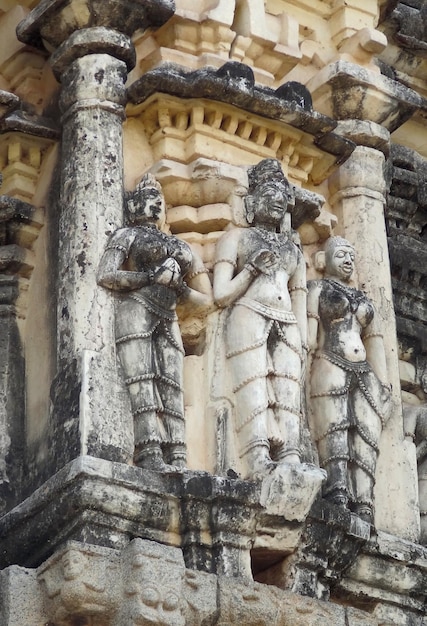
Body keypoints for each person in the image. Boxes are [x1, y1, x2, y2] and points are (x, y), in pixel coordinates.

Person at [97, 174, 212, 470]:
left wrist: (179, 287)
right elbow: (106, 274)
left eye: (160, 202)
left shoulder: (181, 247)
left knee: (172, 384)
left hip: (168, 313)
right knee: (142, 381)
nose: (156, 206)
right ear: (134, 205)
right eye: (149, 199)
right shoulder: (127, 235)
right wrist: (149, 278)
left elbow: (207, 300)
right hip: (136, 309)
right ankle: (149, 452)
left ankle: (178, 455)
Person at [213, 158, 307, 480]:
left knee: (288, 391)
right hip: (248, 314)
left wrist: (304, 340)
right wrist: (251, 269)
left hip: (288, 322)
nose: (278, 198)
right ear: (251, 203)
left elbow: (300, 296)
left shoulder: (293, 249)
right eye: (270, 190)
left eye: (283, 193)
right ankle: (257, 456)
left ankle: (290, 455)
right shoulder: (236, 238)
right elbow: (221, 294)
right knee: (251, 385)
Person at [307, 236, 391, 522]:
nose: (348, 261)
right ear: (323, 260)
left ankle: (365, 501)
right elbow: (309, 331)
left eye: (352, 257)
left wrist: (385, 383)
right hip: (329, 360)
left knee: (366, 435)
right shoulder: (316, 287)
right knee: (335, 427)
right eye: (341, 254)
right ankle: (337, 491)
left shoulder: (363, 299)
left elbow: (376, 340)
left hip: (364, 371)